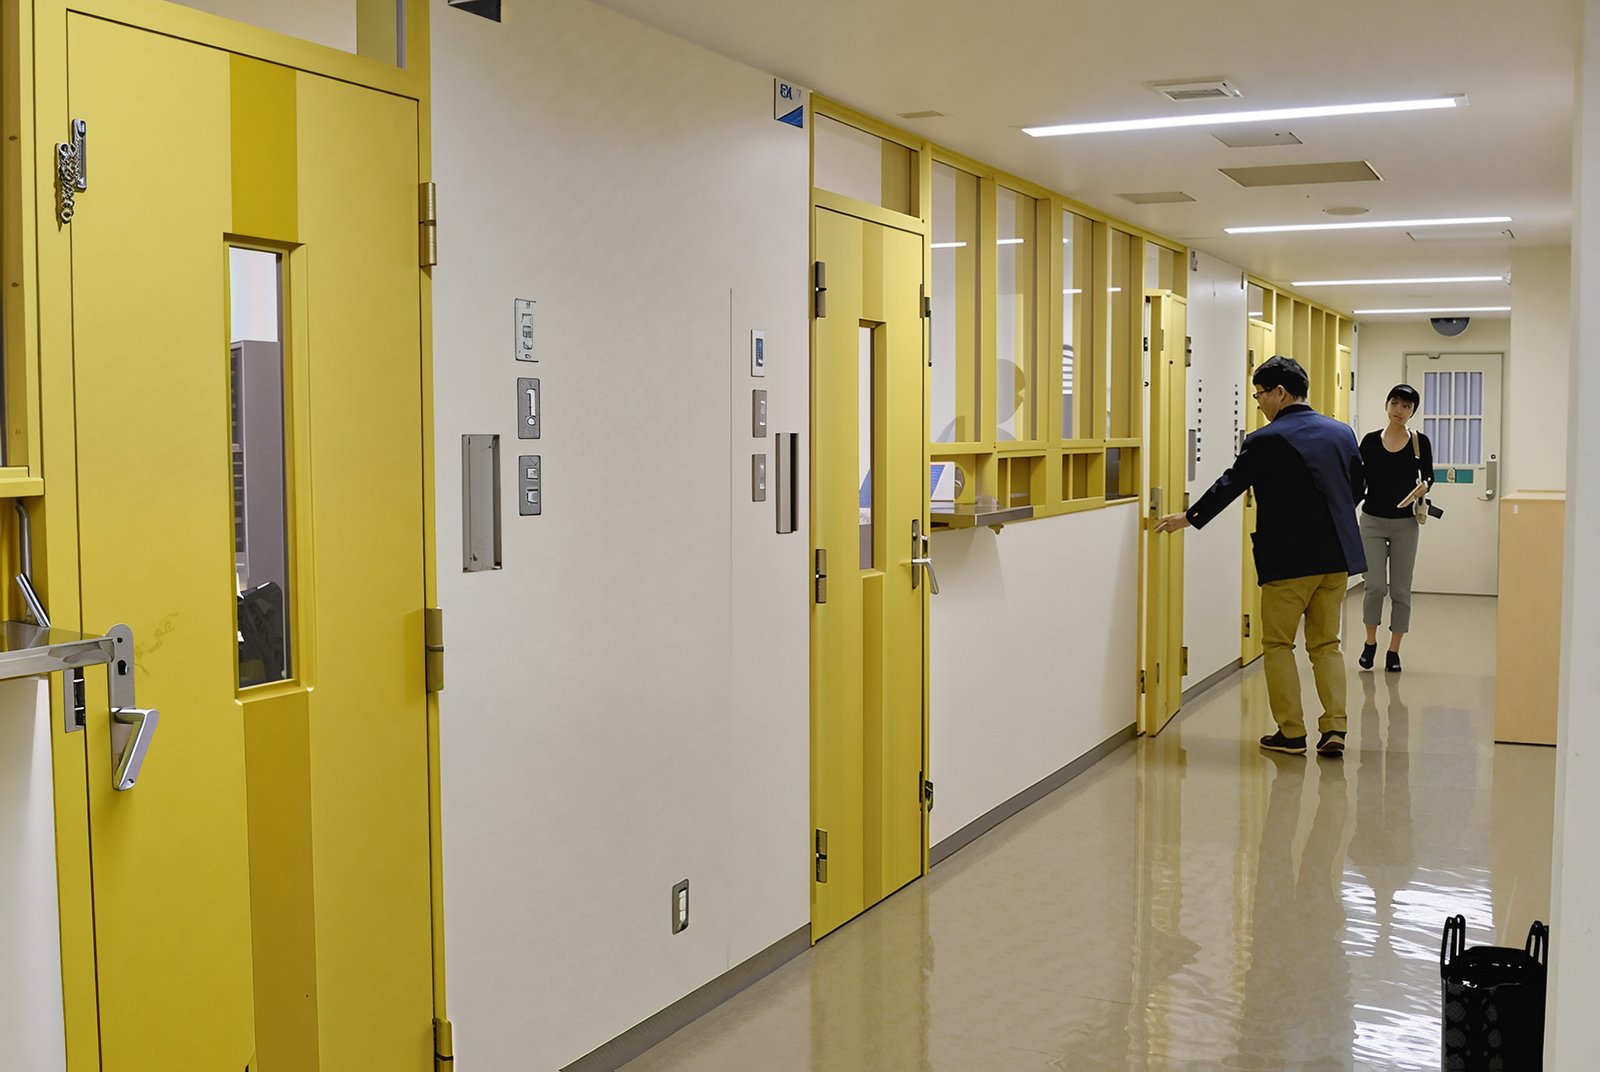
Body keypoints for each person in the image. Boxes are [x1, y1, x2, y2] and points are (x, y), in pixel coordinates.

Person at [1154, 355, 1366, 757]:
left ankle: (1291, 733)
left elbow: (1231, 483)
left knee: (1278, 644)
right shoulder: (1341, 433)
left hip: (1288, 560)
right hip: (1336, 557)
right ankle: (1335, 729)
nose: (1259, 403)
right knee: (1326, 644)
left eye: (1260, 395)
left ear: (1280, 393)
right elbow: (1357, 487)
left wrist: (1189, 517)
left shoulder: (1265, 439)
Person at [1356, 384, 1432, 673]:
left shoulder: (1419, 442)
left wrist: (1425, 486)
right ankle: (1370, 642)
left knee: (1400, 589)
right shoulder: (1369, 441)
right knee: (1374, 585)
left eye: (1407, 406)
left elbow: (1429, 476)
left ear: (1412, 412)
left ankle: (1394, 650)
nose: (1400, 410)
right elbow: (1357, 478)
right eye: (1396, 403)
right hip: (1372, 520)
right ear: (1387, 405)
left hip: (1405, 524)